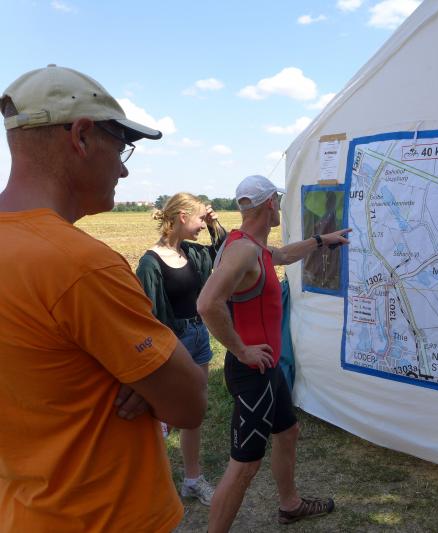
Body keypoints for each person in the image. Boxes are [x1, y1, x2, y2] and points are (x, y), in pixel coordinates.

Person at [0, 65, 207, 532]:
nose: (124, 168)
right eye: (120, 145)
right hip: (109, 516)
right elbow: (189, 403)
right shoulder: (80, 265)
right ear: (81, 136)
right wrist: (145, 375)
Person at [197, 175, 350, 530]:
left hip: (268, 369)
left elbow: (281, 255)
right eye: (277, 201)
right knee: (245, 465)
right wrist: (241, 350)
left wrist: (320, 240)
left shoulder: (253, 245)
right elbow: (206, 303)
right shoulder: (243, 250)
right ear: (270, 204)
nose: (279, 206)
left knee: (288, 431)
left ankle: (290, 505)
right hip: (253, 371)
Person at [136, 192, 227, 505]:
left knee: (193, 410)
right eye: (200, 218)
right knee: (162, 417)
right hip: (173, 343)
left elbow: (223, 252)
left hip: (199, 335)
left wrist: (214, 223)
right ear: (182, 217)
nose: (203, 224)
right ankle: (153, 485)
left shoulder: (191, 252)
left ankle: (192, 479)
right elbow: (146, 315)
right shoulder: (150, 263)